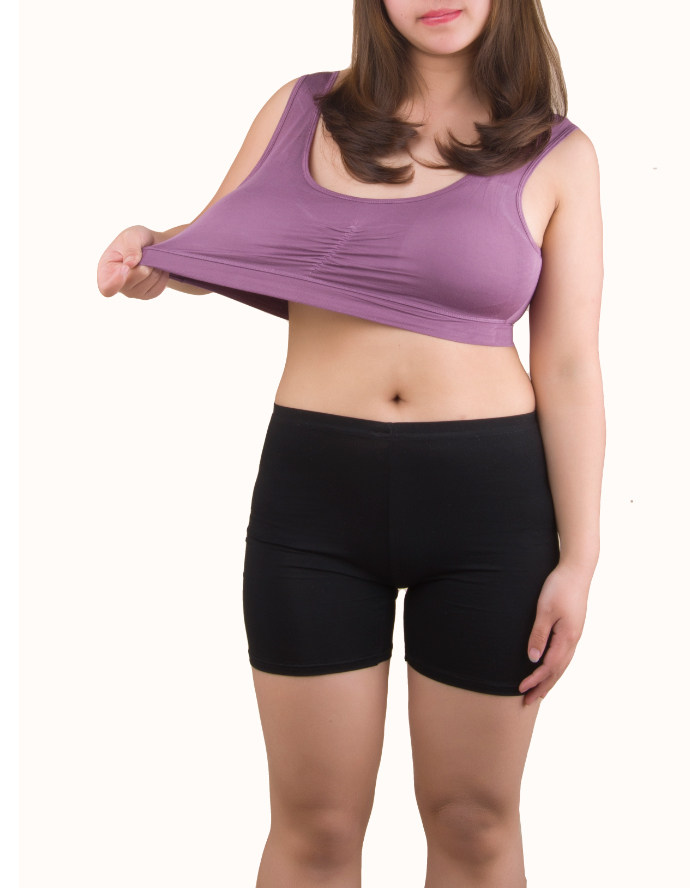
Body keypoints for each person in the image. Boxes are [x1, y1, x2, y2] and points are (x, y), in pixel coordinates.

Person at [97, 1, 604, 885]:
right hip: (314, 504)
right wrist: (153, 254)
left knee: (475, 822)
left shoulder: (559, 153)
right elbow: (218, 245)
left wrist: (580, 558)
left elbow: (567, 367)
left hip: (490, 513)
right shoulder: (303, 109)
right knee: (316, 827)